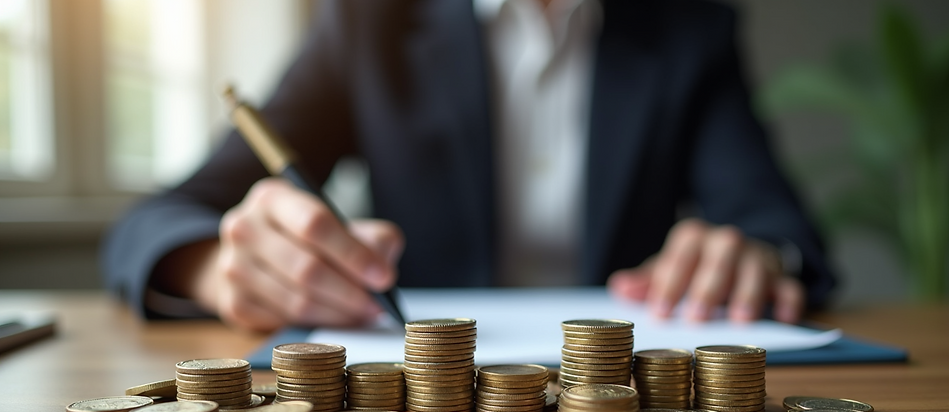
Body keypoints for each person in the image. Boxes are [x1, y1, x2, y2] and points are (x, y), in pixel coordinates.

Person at [102, 0, 835, 332]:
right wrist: (220, 266)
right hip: (421, 408)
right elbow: (157, 220)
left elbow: (779, 225)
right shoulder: (369, 21)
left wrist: (756, 254)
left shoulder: (690, 29)